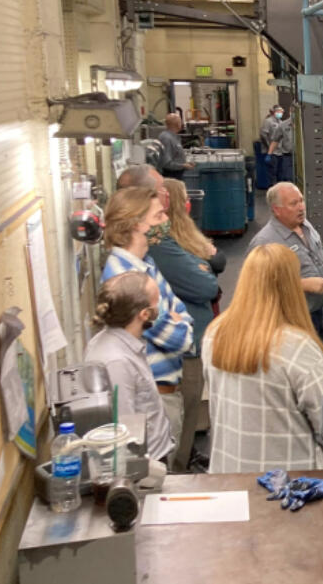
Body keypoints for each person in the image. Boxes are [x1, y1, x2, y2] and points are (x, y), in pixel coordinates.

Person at [203, 243, 323, 473]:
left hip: (228, 476)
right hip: (286, 488)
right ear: (292, 286)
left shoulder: (215, 334)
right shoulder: (298, 348)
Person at [100, 187, 194, 458]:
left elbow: (180, 313)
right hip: (157, 399)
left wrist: (177, 319)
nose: (165, 221)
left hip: (168, 391)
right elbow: (182, 339)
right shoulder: (126, 278)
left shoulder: (146, 264)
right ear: (136, 223)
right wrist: (177, 322)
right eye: (159, 215)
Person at [148, 177, 223, 472]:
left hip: (191, 340)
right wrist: (203, 268)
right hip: (183, 351)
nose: (164, 216)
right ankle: (177, 474)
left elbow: (213, 265)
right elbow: (206, 285)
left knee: (188, 418)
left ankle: (183, 460)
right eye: (158, 211)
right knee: (183, 415)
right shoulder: (160, 247)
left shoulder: (166, 241)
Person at [84, 271, 175, 463]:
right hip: (147, 465)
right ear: (144, 314)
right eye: (157, 302)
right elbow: (123, 429)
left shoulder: (115, 343)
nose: (160, 308)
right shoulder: (117, 362)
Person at [249, 182, 323, 341]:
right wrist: (302, 284)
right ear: (276, 210)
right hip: (290, 322)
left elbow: (320, 262)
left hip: (317, 313)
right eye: (293, 204)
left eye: (301, 200)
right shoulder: (265, 242)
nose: (301, 207)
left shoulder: (307, 227)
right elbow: (255, 286)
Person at [157, 113, 194, 180]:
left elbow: (175, 156)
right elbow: (166, 163)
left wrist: (185, 163)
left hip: (177, 175)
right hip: (171, 176)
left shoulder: (173, 137)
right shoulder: (166, 138)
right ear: (177, 124)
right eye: (180, 121)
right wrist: (183, 165)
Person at [268, 104, 295, 183]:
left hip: (302, 156)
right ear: (290, 112)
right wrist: (269, 154)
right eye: (292, 111)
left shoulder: (305, 124)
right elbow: (275, 140)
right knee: (288, 178)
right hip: (288, 156)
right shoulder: (283, 125)